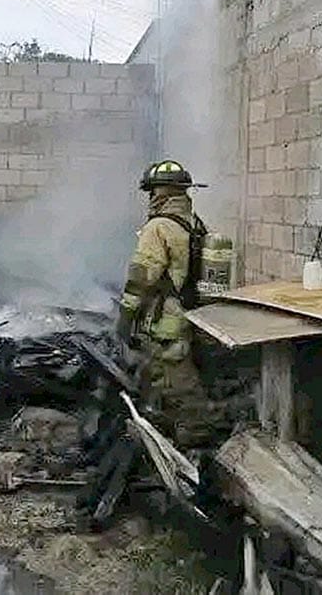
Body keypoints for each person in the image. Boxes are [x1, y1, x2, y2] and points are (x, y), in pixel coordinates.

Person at [115, 159, 212, 446]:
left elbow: (141, 277)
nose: (150, 197)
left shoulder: (158, 227)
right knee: (164, 371)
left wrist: (126, 315)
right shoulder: (194, 223)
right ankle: (170, 424)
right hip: (191, 310)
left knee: (175, 375)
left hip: (166, 316)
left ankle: (196, 432)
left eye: (152, 191)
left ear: (160, 192)